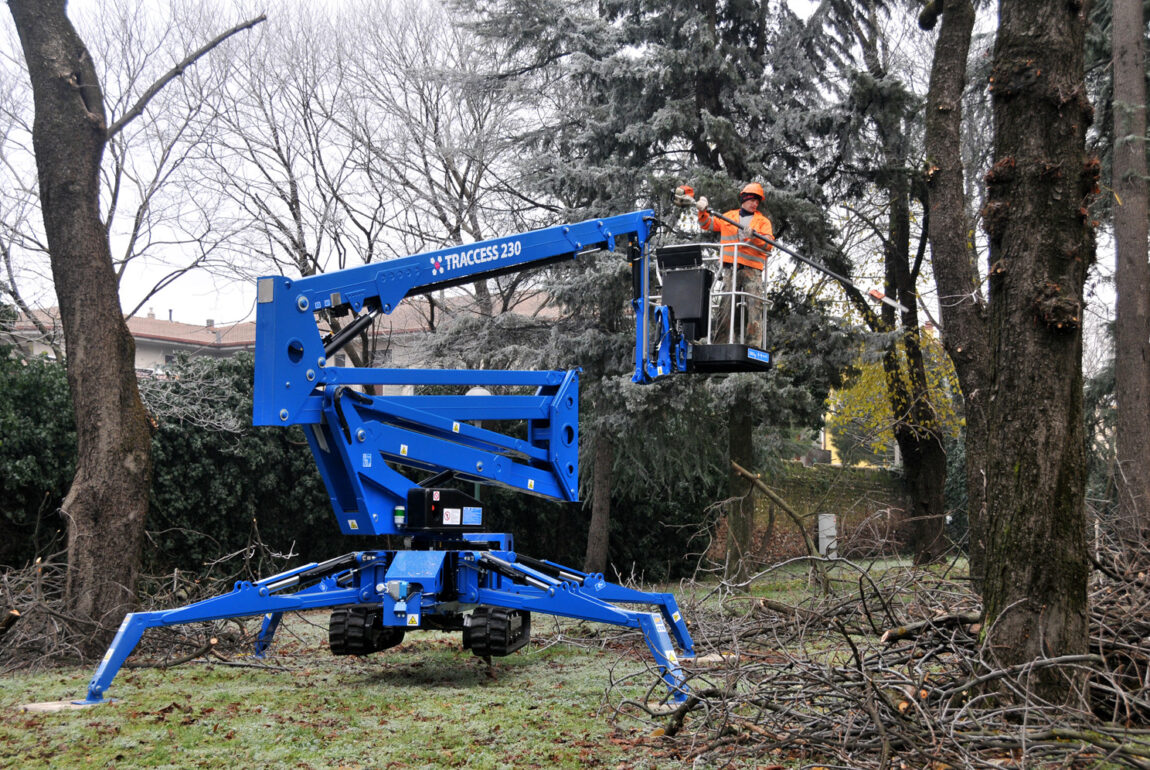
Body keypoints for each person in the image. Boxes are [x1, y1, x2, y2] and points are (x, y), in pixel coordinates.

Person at [677, 182, 773, 345]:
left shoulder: (762, 222)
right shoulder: (729, 217)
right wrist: (702, 210)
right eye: (752, 200)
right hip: (731, 269)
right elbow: (707, 224)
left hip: (752, 270)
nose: (755, 203)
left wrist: (755, 236)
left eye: (758, 201)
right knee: (726, 306)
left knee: (754, 307)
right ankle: (721, 343)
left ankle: (754, 345)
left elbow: (769, 244)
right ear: (744, 199)